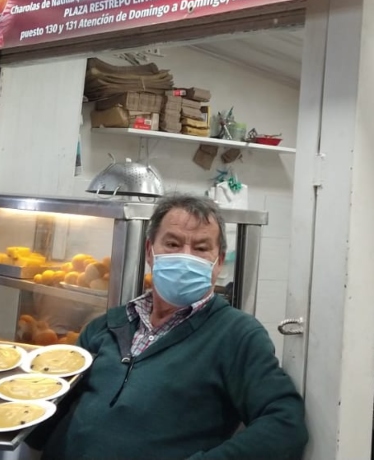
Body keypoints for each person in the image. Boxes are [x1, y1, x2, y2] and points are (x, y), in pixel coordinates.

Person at [28, 194, 308, 460]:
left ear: (218, 261)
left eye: (200, 248)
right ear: (150, 252)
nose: (185, 257)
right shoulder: (107, 326)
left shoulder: (237, 335)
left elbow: (285, 424)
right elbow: (45, 413)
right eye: (172, 244)